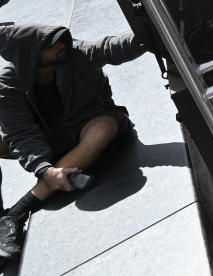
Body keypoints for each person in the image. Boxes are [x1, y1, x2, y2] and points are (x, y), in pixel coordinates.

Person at [0, 25, 148, 260]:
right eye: (51, 45)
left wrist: (148, 34)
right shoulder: (8, 83)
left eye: (61, 40)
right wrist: (43, 168)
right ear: (30, 55)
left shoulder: (74, 53)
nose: (62, 46)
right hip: (48, 136)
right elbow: (20, 134)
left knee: (103, 130)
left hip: (89, 121)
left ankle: (15, 214)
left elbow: (110, 47)